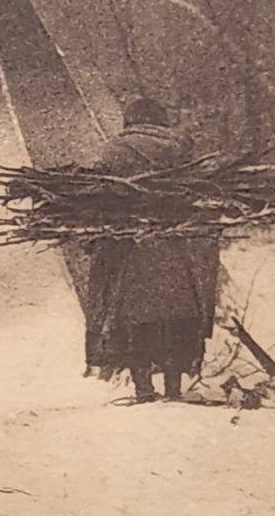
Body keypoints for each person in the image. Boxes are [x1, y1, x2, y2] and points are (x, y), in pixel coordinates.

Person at [82, 97, 221, 401]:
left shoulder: (113, 151)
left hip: (129, 250)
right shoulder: (180, 149)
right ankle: (173, 388)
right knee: (174, 319)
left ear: (131, 121)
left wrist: (93, 237)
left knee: (134, 322)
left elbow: (99, 199)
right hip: (175, 250)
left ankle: (143, 388)